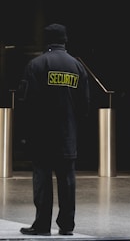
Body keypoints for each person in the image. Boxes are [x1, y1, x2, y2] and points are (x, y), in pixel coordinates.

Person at [17, 23, 90, 236]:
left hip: (42, 135)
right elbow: (84, 106)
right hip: (68, 134)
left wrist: (25, 132)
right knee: (67, 180)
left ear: (46, 40)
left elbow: (27, 102)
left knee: (42, 179)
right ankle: (67, 226)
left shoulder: (36, 64)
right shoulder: (77, 66)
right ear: (65, 40)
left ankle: (42, 225)